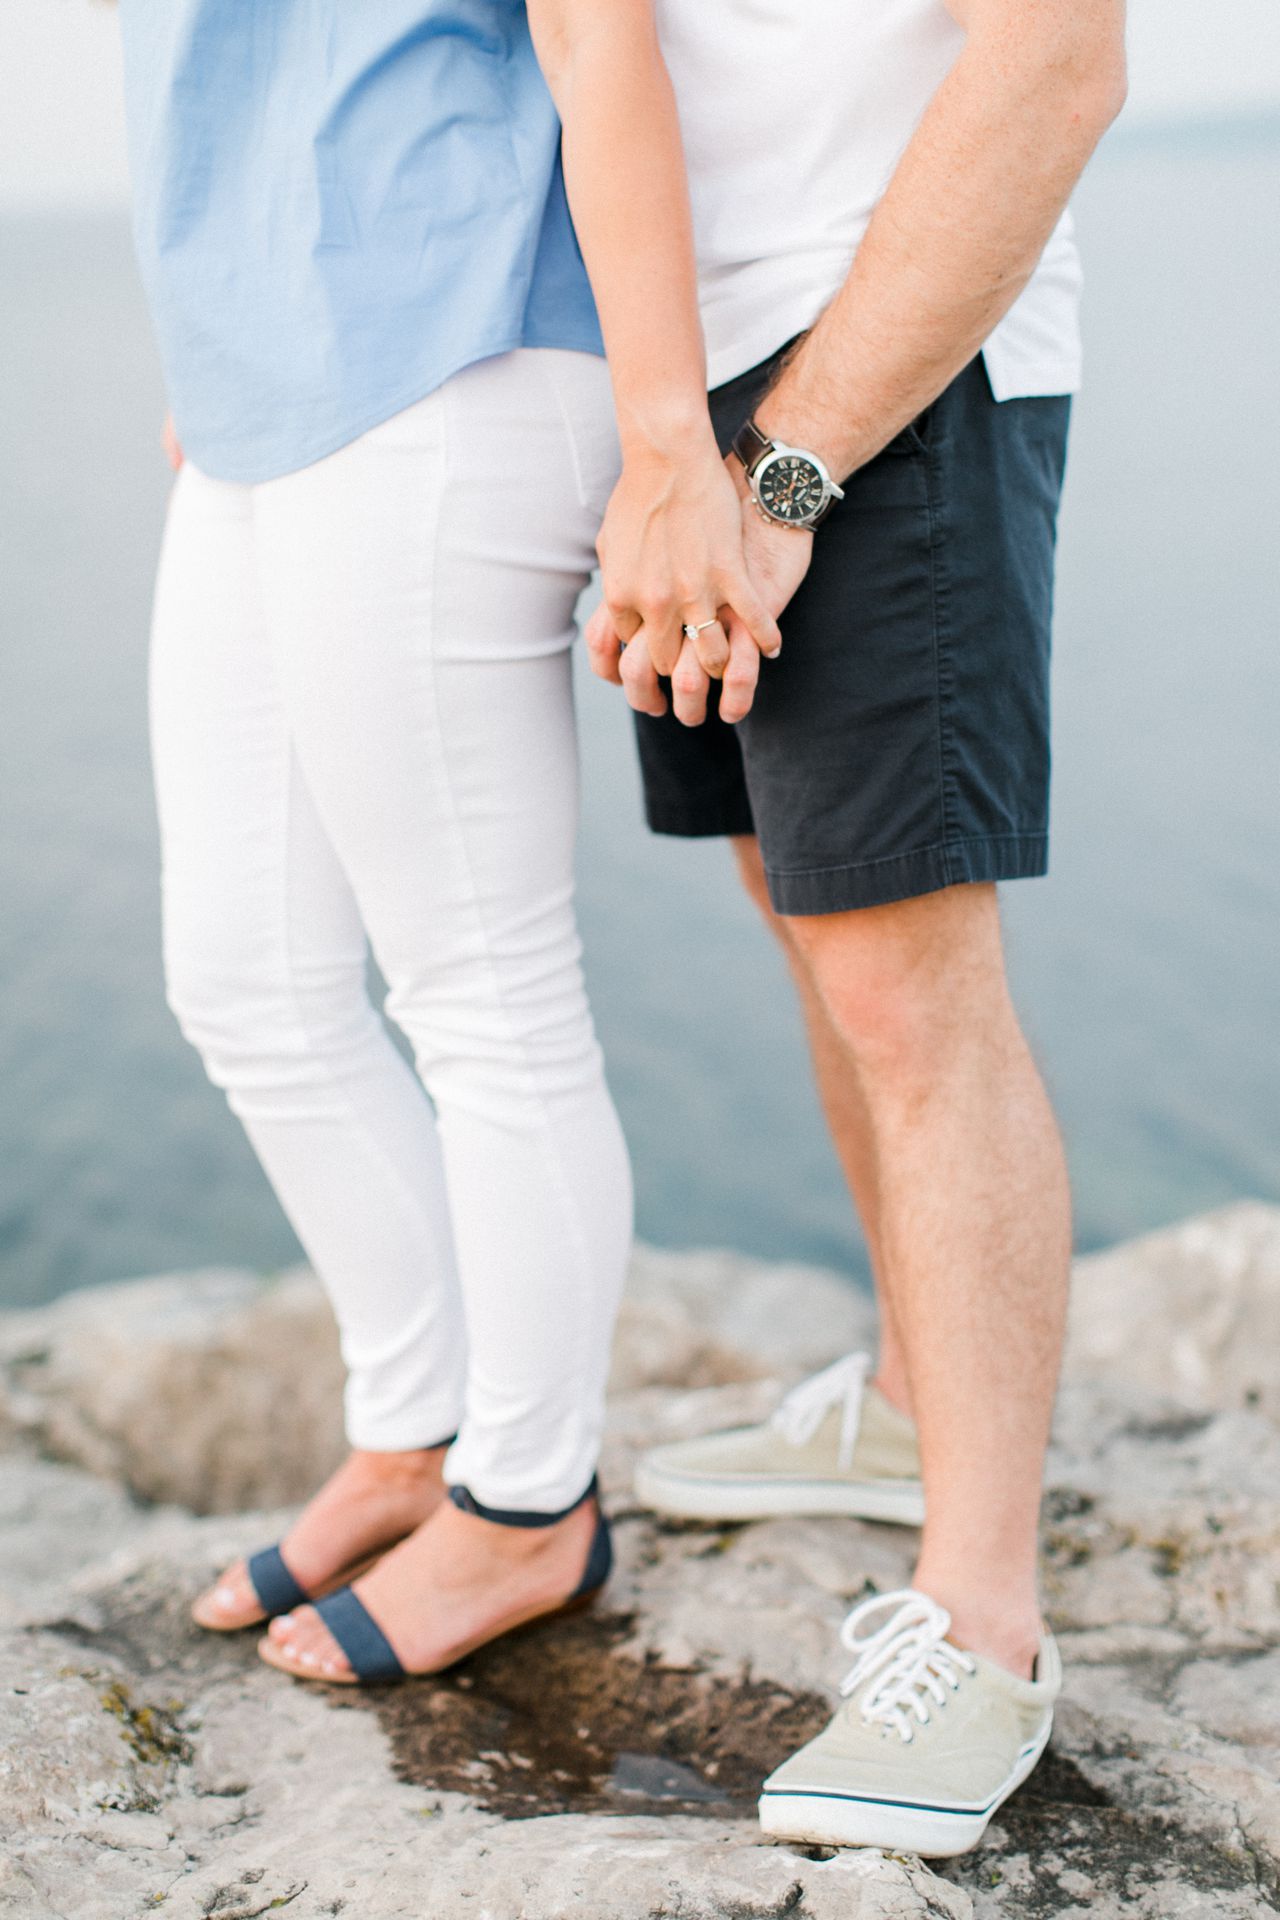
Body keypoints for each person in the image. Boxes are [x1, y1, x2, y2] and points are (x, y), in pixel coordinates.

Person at [115, 0, 774, 1686]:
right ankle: (414, 1435)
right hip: (262, 372)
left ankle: (531, 1495)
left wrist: (666, 439)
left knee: (481, 985)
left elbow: (597, 36)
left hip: (457, 327)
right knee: (246, 981)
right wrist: (213, 333)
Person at [590, 0, 1127, 1858]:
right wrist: (677, 450)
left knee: (911, 981)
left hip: (884, 365)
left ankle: (982, 1627)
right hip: (711, 397)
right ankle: (908, 1395)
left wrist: (790, 466)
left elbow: (1058, 59)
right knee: (806, 909)